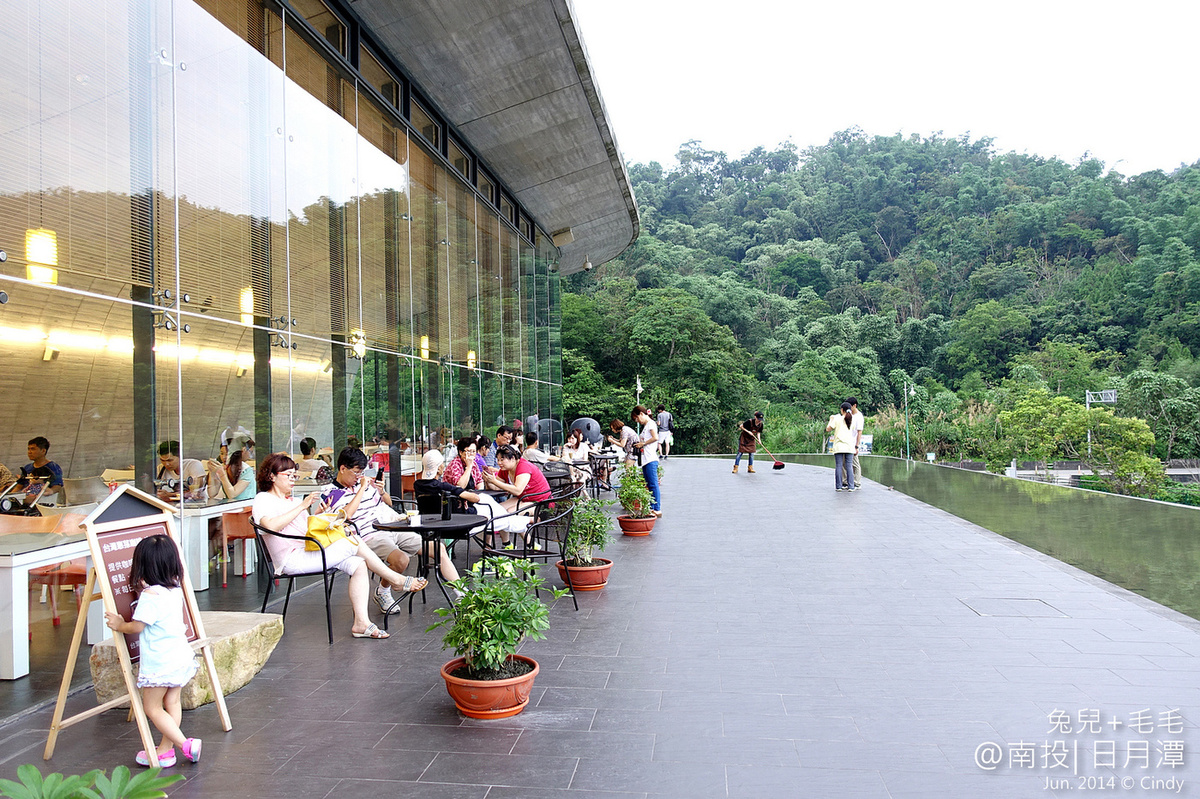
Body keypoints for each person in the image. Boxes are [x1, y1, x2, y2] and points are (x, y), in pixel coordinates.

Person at [252, 453, 426, 640]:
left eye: (295, 475)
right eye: (289, 475)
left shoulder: (291, 501)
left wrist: (321, 513)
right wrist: (302, 507)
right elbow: (270, 526)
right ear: (272, 476)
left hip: (308, 550)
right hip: (291, 559)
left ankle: (361, 623)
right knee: (354, 541)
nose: (293, 480)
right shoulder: (264, 499)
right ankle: (396, 580)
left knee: (357, 563)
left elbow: (305, 530)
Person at [103, 534, 202, 768]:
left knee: (152, 707)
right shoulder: (174, 590)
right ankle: (165, 751)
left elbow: (137, 626)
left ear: (143, 565)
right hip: (180, 656)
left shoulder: (150, 596)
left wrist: (119, 625)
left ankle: (185, 745)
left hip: (161, 662)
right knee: (172, 702)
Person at [320, 447, 453, 612]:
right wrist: (361, 489)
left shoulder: (366, 485)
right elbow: (346, 515)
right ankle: (382, 591)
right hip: (368, 535)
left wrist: (381, 491)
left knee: (438, 548)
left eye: (361, 473)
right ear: (342, 469)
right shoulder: (331, 492)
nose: (359, 477)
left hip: (390, 526)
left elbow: (389, 503)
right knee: (401, 560)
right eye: (356, 473)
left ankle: (461, 593)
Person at [416, 450, 531, 547]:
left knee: (495, 513)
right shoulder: (444, 487)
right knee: (492, 510)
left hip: (430, 525)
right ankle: (524, 523)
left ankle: (519, 523)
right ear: (439, 467)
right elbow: (474, 498)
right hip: (460, 524)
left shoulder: (418, 485)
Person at [482, 444, 552, 513]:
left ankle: (535, 520)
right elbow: (495, 488)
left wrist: (494, 481)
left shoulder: (523, 466)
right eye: (498, 460)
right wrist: (488, 480)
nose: (499, 463)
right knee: (497, 510)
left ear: (512, 458)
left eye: (502, 460)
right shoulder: (505, 469)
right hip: (523, 499)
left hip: (541, 502)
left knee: (510, 512)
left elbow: (517, 490)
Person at [631, 405, 662, 517]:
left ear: (642, 414)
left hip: (650, 459)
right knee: (649, 484)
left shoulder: (651, 424)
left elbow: (655, 437)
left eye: (637, 419)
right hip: (645, 459)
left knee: (653, 484)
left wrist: (643, 444)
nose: (638, 421)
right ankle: (652, 507)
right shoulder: (646, 426)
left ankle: (657, 508)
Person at [15, 436, 63, 505]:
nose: (29, 452)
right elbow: (19, 486)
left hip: (42, 500)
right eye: (28, 449)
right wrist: (10, 495)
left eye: (33, 449)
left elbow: (58, 486)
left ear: (43, 451)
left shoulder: (53, 467)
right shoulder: (27, 468)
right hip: (25, 499)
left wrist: (51, 491)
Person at [826, 402, 857, 491]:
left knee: (839, 466)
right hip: (849, 446)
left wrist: (831, 419)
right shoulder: (853, 419)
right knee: (849, 466)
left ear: (842, 410)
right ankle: (851, 486)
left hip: (839, 446)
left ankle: (839, 486)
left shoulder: (837, 419)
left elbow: (828, 429)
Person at [847, 396, 865, 490]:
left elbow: (859, 432)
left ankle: (857, 482)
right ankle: (846, 482)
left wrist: (856, 446)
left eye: (850, 406)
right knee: (845, 463)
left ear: (855, 405)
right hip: (846, 442)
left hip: (853, 443)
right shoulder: (848, 414)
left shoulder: (859, 416)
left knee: (855, 463)